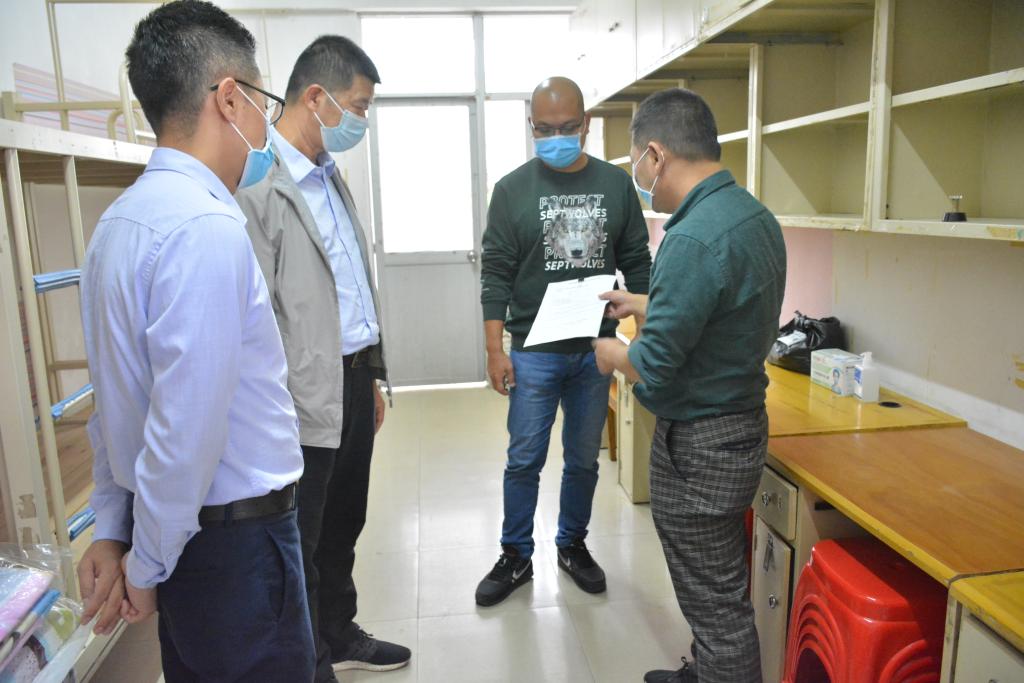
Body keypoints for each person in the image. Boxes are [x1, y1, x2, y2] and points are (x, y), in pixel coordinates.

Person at [77, 2, 314, 681]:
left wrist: (116, 530)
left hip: (175, 533)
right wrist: (145, 566)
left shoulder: (119, 224)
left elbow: (113, 403)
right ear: (229, 99)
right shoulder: (205, 229)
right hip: (230, 548)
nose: (265, 126)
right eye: (263, 103)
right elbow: (185, 432)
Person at [593, 88, 787, 683]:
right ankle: (706, 670)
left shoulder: (691, 236)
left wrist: (610, 352)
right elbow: (720, 306)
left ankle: (719, 669)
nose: (639, 177)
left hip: (700, 445)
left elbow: (654, 363)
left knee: (717, 608)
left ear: (656, 155)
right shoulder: (751, 216)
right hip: (739, 427)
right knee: (719, 584)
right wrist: (646, 301)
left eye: (637, 163)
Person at [234, 36, 408, 679]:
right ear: (316, 97)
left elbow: (351, 284)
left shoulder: (330, 176)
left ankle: (338, 630)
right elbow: (260, 315)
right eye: (357, 106)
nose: (361, 120)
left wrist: (372, 377)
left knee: (344, 521)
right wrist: (280, 402)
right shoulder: (260, 185)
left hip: (352, 378)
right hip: (301, 394)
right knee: (301, 536)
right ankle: (308, 660)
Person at [475, 77, 652, 606]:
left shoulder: (615, 185)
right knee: (524, 458)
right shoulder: (512, 190)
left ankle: (572, 544)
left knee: (583, 460)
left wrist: (646, 339)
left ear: (587, 124)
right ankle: (515, 555)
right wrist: (495, 350)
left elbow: (638, 263)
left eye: (568, 127)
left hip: (595, 350)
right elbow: (496, 274)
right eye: (545, 129)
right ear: (531, 126)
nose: (557, 137)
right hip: (533, 352)